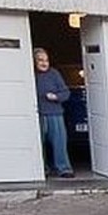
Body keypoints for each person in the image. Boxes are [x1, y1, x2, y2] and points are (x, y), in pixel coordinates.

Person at [33, 48, 74, 178]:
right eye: (40, 60)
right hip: (37, 114)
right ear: (34, 61)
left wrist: (56, 97)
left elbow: (65, 93)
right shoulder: (30, 74)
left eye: (46, 60)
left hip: (55, 113)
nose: (44, 63)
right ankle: (42, 169)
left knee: (59, 142)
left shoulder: (54, 73)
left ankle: (64, 168)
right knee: (38, 144)